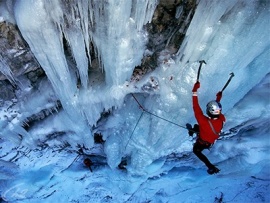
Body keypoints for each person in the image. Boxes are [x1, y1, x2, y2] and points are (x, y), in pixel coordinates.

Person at [189, 81, 226, 174]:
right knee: (197, 128)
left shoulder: (204, 121)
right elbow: (216, 111)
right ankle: (210, 166)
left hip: (203, 140)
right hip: (208, 141)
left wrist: (194, 90)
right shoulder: (222, 119)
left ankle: (210, 166)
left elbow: (196, 106)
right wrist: (218, 99)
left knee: (196, 150)